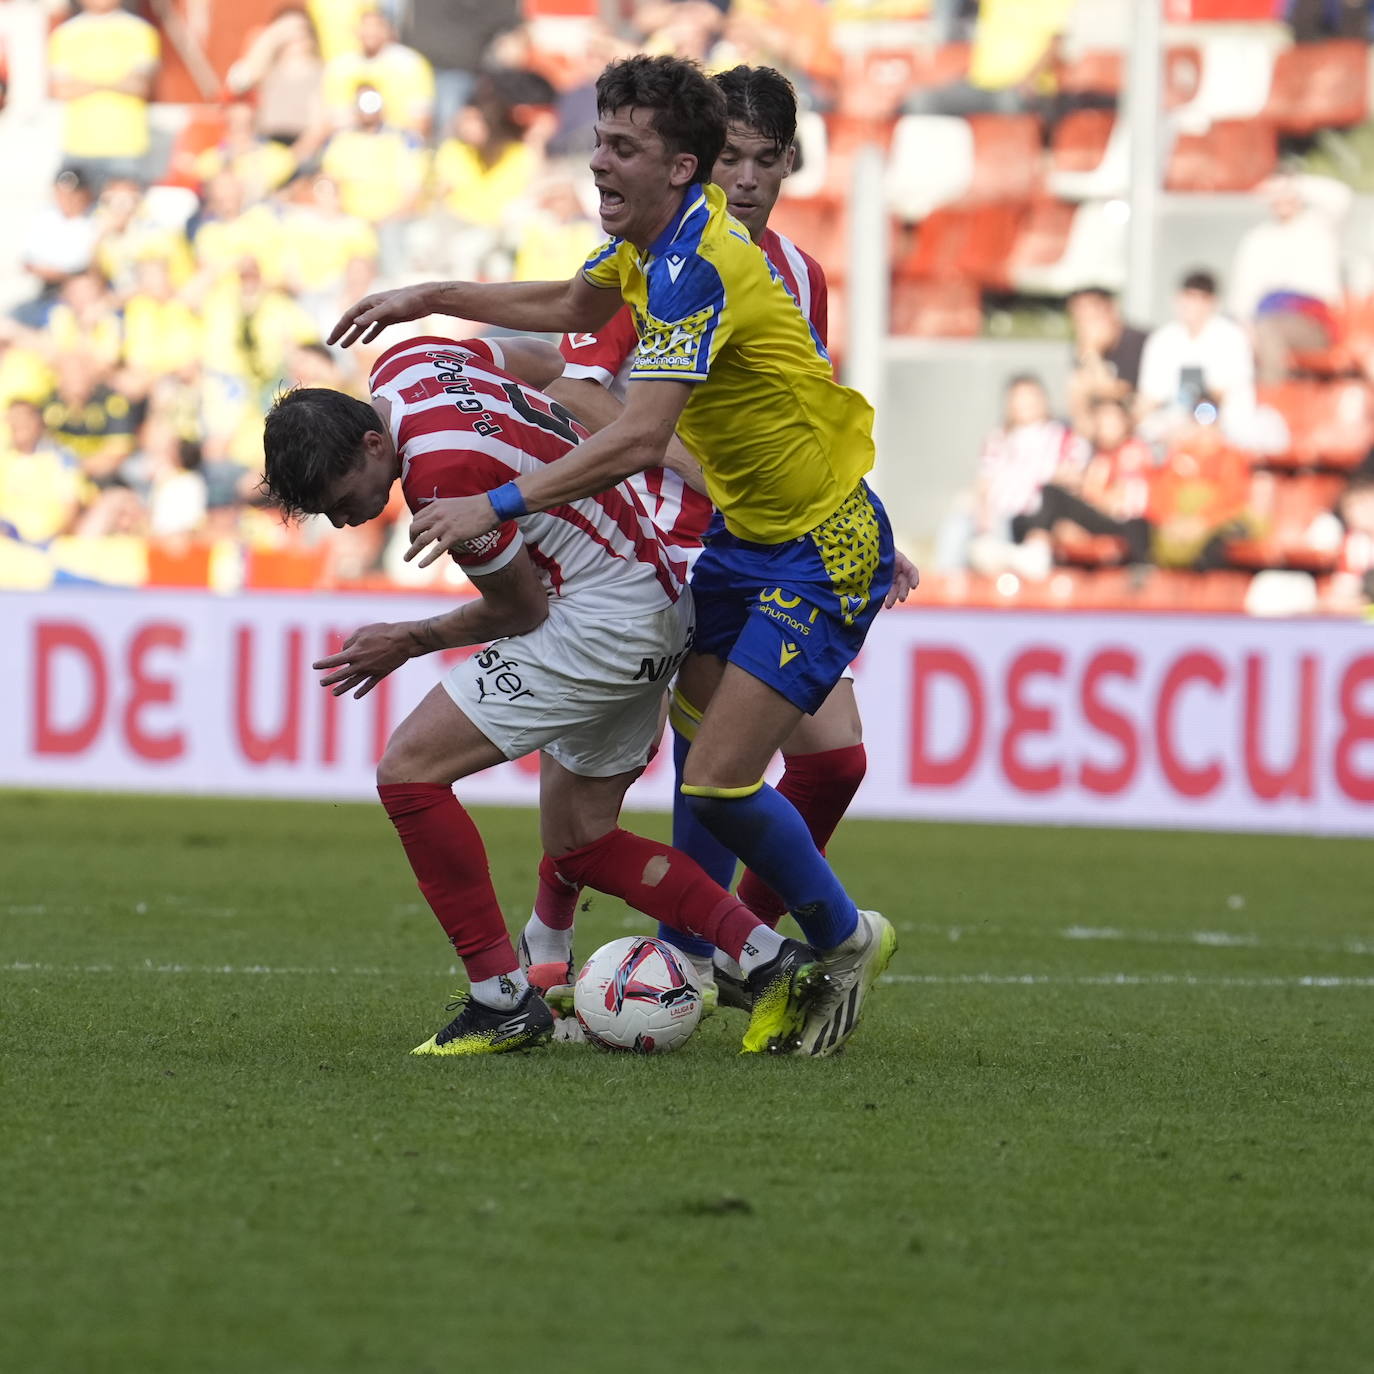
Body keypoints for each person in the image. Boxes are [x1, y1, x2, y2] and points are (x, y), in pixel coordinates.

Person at [328, 54, 897, 1057]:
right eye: (599, 140)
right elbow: (569, 310)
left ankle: (837, 944)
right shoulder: (647, 243)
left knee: (724, 778)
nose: (599, 163)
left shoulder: (695, 266)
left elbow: (636, 438)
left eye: (622, 147)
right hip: (743, 543)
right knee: (694, 757)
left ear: (683, 166)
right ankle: (733, 954)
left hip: (817, 542)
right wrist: (432, 296)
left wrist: (490, 503)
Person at [260, 333, 829, 1057]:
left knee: (409, 773)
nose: (346, 522)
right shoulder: (412, 362)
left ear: (374, 444)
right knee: (582, 841)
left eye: (343, 501)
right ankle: (769, 959)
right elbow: (547, 361)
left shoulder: (443, 477)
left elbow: (516, 612)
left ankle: (499, 999)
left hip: (600, 624)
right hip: (651, 596)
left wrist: (406, 638)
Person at [522, 64, 917, 1016]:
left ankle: (714, 947)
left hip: (774, 543)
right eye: (725, 159)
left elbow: (792, 408)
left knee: (828, 762)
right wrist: (703, 478)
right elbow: (579, 386)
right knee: (607, 755)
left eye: (760, 160)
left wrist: (853, 505)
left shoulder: (796, 274)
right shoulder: (653, 252)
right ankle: (553, 943)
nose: (741, 180)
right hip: (660, 536)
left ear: (788, 163)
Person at [938, 373, 1086, 576]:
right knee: (960, 519)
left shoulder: (1062, 436)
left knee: (1001, 529)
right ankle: (947, 582)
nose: (1025, 404)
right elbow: (984, 482)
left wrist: (1034, 476)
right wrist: (982, 512)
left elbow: (1072, 478)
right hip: (996, 513)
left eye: (1030, 397)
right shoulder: (998, 438)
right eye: (1019, 397)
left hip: (1030, 516)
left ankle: (1004, 559)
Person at [1010, 396, 1153, 575]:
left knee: (1052, 494)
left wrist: (1079, 519)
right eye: (1101, 420)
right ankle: (1032, 550)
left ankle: (1037, 552)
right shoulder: (1098, 454)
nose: (1104, 426)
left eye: (1111, 420)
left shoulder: (1132, 453)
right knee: (1022, 519)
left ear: (1125, 422)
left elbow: (1123, 504)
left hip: (1122, 526)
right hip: (1097, 517)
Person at [1229, 172, 1350, 385]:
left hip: (1313, 321)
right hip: (1266, 318)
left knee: (1269, 329)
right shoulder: (1258, 239)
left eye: (1288, 194)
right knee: (1232, 337)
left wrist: (1295, 182)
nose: (1283, 200)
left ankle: (1271, 398)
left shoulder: (1318, 226)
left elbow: (1341, 198)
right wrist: (1245, 327)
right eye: (1277, 195)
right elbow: (1243, 292)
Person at [47, 0, 160, 188]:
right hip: (78, 145)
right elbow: (62, 90)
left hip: (128, 145)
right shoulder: (64, 34)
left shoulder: (140, 31)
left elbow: (139, 86)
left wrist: (86, 83)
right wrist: (116, 82)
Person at [1137, 270, 1257, 447]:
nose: (1192, 305)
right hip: (1174, 423)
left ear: (1212, 302)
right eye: (1188, 297)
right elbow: (1149, 398)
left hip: (1224, 423)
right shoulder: (1162, 339)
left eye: (1200, 298)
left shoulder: (1230, 337)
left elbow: (1216, 397)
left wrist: (1191, 428)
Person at [1065, 286, 1147, 436]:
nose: (1085, 328)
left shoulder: (1135, 341)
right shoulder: (1082, 345)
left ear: (1110, 311)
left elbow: (1118, 391)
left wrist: (1093, 351)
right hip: (1101, 426)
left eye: (1091, 318)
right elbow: (1078, 400)